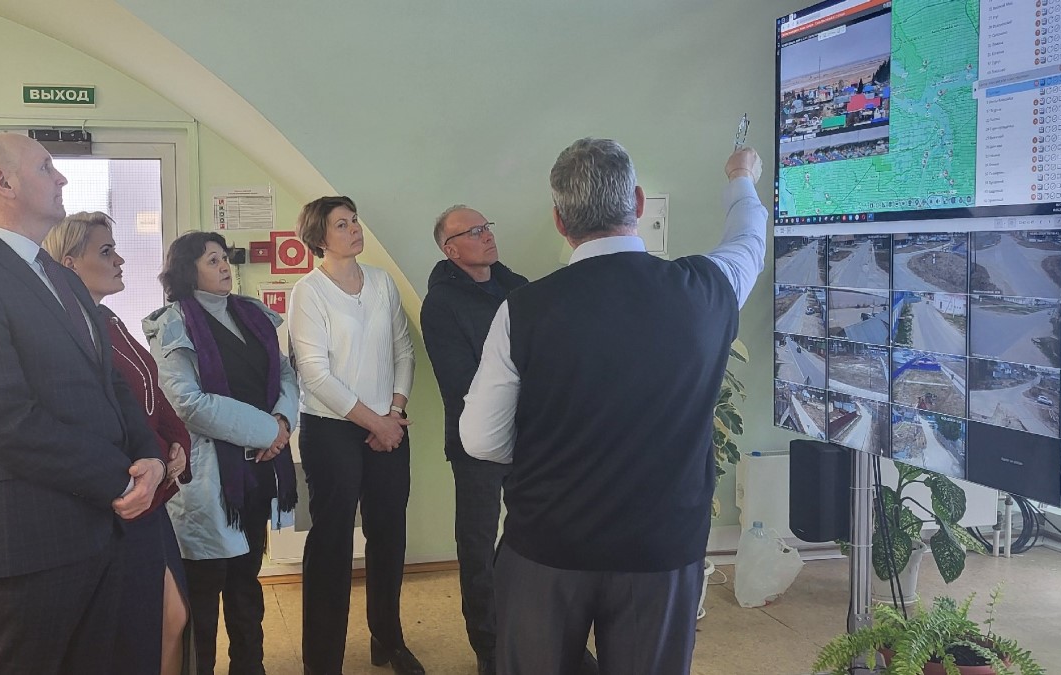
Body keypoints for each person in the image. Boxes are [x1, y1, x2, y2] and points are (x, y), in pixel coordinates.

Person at [461, 139, 767, 675]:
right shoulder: (708, 289)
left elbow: (481, 439)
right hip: (661, 550)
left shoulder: (523, 309)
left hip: (546, 547)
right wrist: (741, 177)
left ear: (560, 221)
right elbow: (749, 239)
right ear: (639, 203)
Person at [0, 132, 166, 674]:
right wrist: (118, 478)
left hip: (101, 529)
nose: (62, 178)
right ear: (3, 182)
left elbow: (110, 383)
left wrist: (148, 454)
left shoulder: (61, 278)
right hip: (28, 536)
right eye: (46, 168)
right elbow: (0, 418)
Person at [421, 205, 590, 675]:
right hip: (478, 442)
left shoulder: (519, 289)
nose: (486, 235)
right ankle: (489, 648)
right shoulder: (441, 304)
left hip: (533, 438)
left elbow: (548, 357)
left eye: (486, 227)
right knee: (478, 547)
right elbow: (459, 381)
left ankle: (554, 640)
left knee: (540, 541)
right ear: (451, 249)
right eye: (473, 232)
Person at [43, 211, 193, 675]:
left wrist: (177, 444)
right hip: (120, 495)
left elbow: (151, 395)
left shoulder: (108, 320)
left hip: (150, 491)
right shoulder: (62, 329)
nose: (120, 260)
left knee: (172, 616)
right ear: (69, 263)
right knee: (145, 625)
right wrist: (152, 459)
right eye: (106, 251)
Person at [145, 231, 300, 675]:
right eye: (211, 260)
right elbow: (187, 403)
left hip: (257, 471)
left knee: (246, 580)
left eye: (224, 258)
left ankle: (249, 666)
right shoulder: (173, 323)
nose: (224, 266)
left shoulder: (252, 315)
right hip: (209, 476)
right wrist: (267, 431)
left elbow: (286, 375)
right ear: (186, 270)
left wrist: (282, 423)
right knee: (204, 590)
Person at [287, 196, 422, 675]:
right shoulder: (308, 292)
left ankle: (388, 638)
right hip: (332, 431)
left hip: (389, 426)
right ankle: (323, 660)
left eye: (355, 221)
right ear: (320, 238)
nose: (354, 229)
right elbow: (315, 374)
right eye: (341, 224)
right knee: (332, 543)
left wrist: (395, 411)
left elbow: (404, 351)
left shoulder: (382, 282)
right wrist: (376, 422)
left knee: (389, 535)